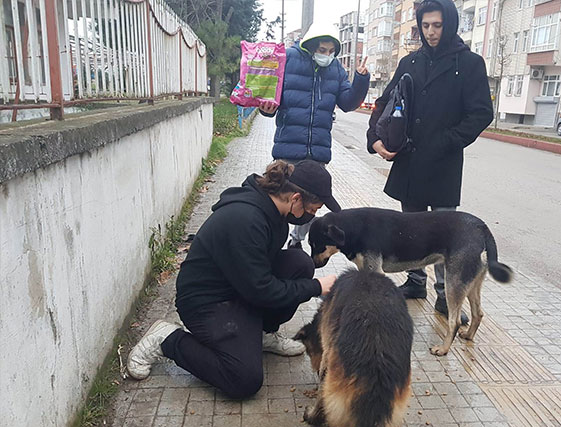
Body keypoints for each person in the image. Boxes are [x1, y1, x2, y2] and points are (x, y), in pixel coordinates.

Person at [127, 160, 339, 399]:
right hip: (205, 302)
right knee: (244, 379)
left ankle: (261, 334)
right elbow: (261, 290)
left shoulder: (275, 212)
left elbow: (258, 278)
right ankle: (167, 339)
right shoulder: (245, 219)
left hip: (238, 286)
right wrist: (316, 287)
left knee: (300, 264)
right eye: (311, 210)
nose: (310, 216)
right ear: (296, 198)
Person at [365, 0, 493, 322]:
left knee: (445, 233)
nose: (431, 32)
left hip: (444, 163)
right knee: (411, 228)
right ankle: (415, 282)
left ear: (449, 25)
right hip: (409, 161)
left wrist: (447, 141)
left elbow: (480, 113)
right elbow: (384, 101)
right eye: (425, 26)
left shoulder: (469, 64)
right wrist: (375, 138)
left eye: (437, 25)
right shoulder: (411, 61)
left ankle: (444, 297)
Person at [259, 23, 370, 249]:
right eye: (322, 50)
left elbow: (348, 103)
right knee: (280, 201)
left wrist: (360, 79)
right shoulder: (288, 59)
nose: (326, 55)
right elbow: (269, 94)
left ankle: (295, 243)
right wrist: (265, 109)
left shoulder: (336, 70)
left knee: (310, 204)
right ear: (310, 47)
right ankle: (271, 245)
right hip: (287, 150)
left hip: (317, 152)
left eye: (331, 51)